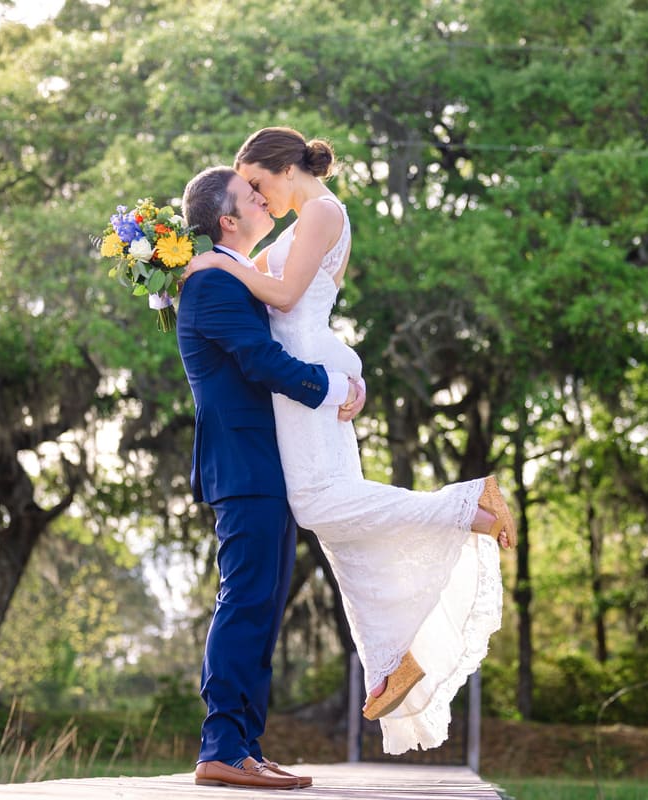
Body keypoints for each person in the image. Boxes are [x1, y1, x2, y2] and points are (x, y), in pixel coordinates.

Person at [183, 126, 516, 756]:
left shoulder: (322, 213)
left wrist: (211, 262)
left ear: (282, 169)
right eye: (246, 193)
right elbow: (250, 287)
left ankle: (467, 509)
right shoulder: (286, 232)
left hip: (308, 373)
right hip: (307, 378)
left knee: (324, 505)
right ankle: (391, 655)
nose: (258, 198)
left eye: (257, 183)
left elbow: (279, 297)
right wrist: (203, 260)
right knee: (332, 508)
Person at [177, 165, 366, 789]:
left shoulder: (237, 279)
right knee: (247, 603)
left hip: (269, 464)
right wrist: (332, 386)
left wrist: (346, 379)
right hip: (247, 467)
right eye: (251, 195)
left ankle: (243, 747)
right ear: (229, 219)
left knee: (260, 605)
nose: (265, 199)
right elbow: (262, 363)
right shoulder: (211, 286)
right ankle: (223, 748)